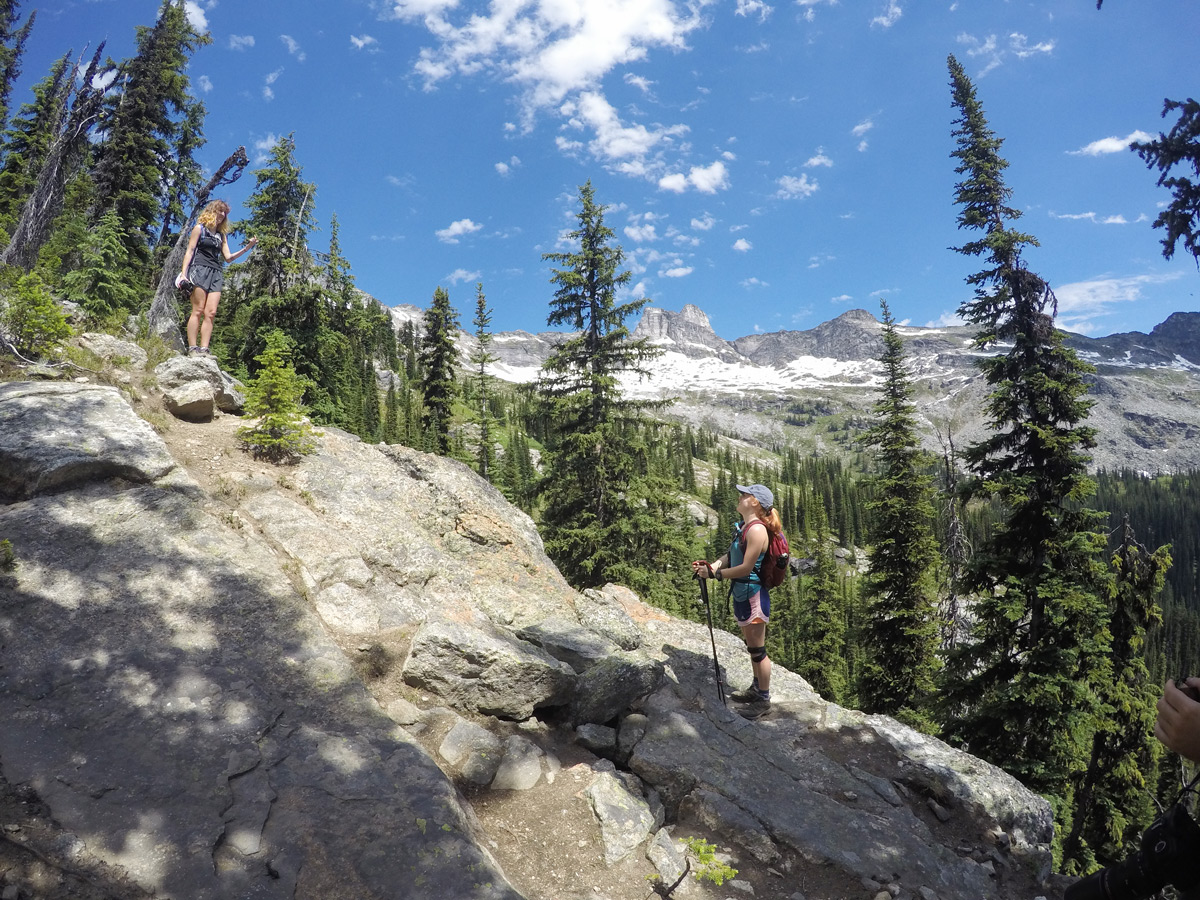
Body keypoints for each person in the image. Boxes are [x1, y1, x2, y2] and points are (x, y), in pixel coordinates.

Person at [693, 483, 780, 719]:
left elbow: (745, 568)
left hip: (753, 596)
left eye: (744, 494)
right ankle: (756, 689)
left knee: (758, 650)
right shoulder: (745, 527)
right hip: (744, 594)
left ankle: (763, 699)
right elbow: (731, 555)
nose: (740, 497)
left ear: (754, 502)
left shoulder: (756, 531)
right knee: (752, 648)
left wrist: (715, 574)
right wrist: (713, 566)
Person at [177, 199, 256, 356]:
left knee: (211, 312)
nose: (222, 214)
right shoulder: (199, 229)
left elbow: (228, 257)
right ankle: (193, 348)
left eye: (224, 213)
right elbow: (190, 251)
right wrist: (184, 275)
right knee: (198, 310)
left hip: (216, 273)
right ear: (212, 211)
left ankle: (204, 349)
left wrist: (247, 248)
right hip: (198, 270)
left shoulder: (221, 235)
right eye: (220, 211)